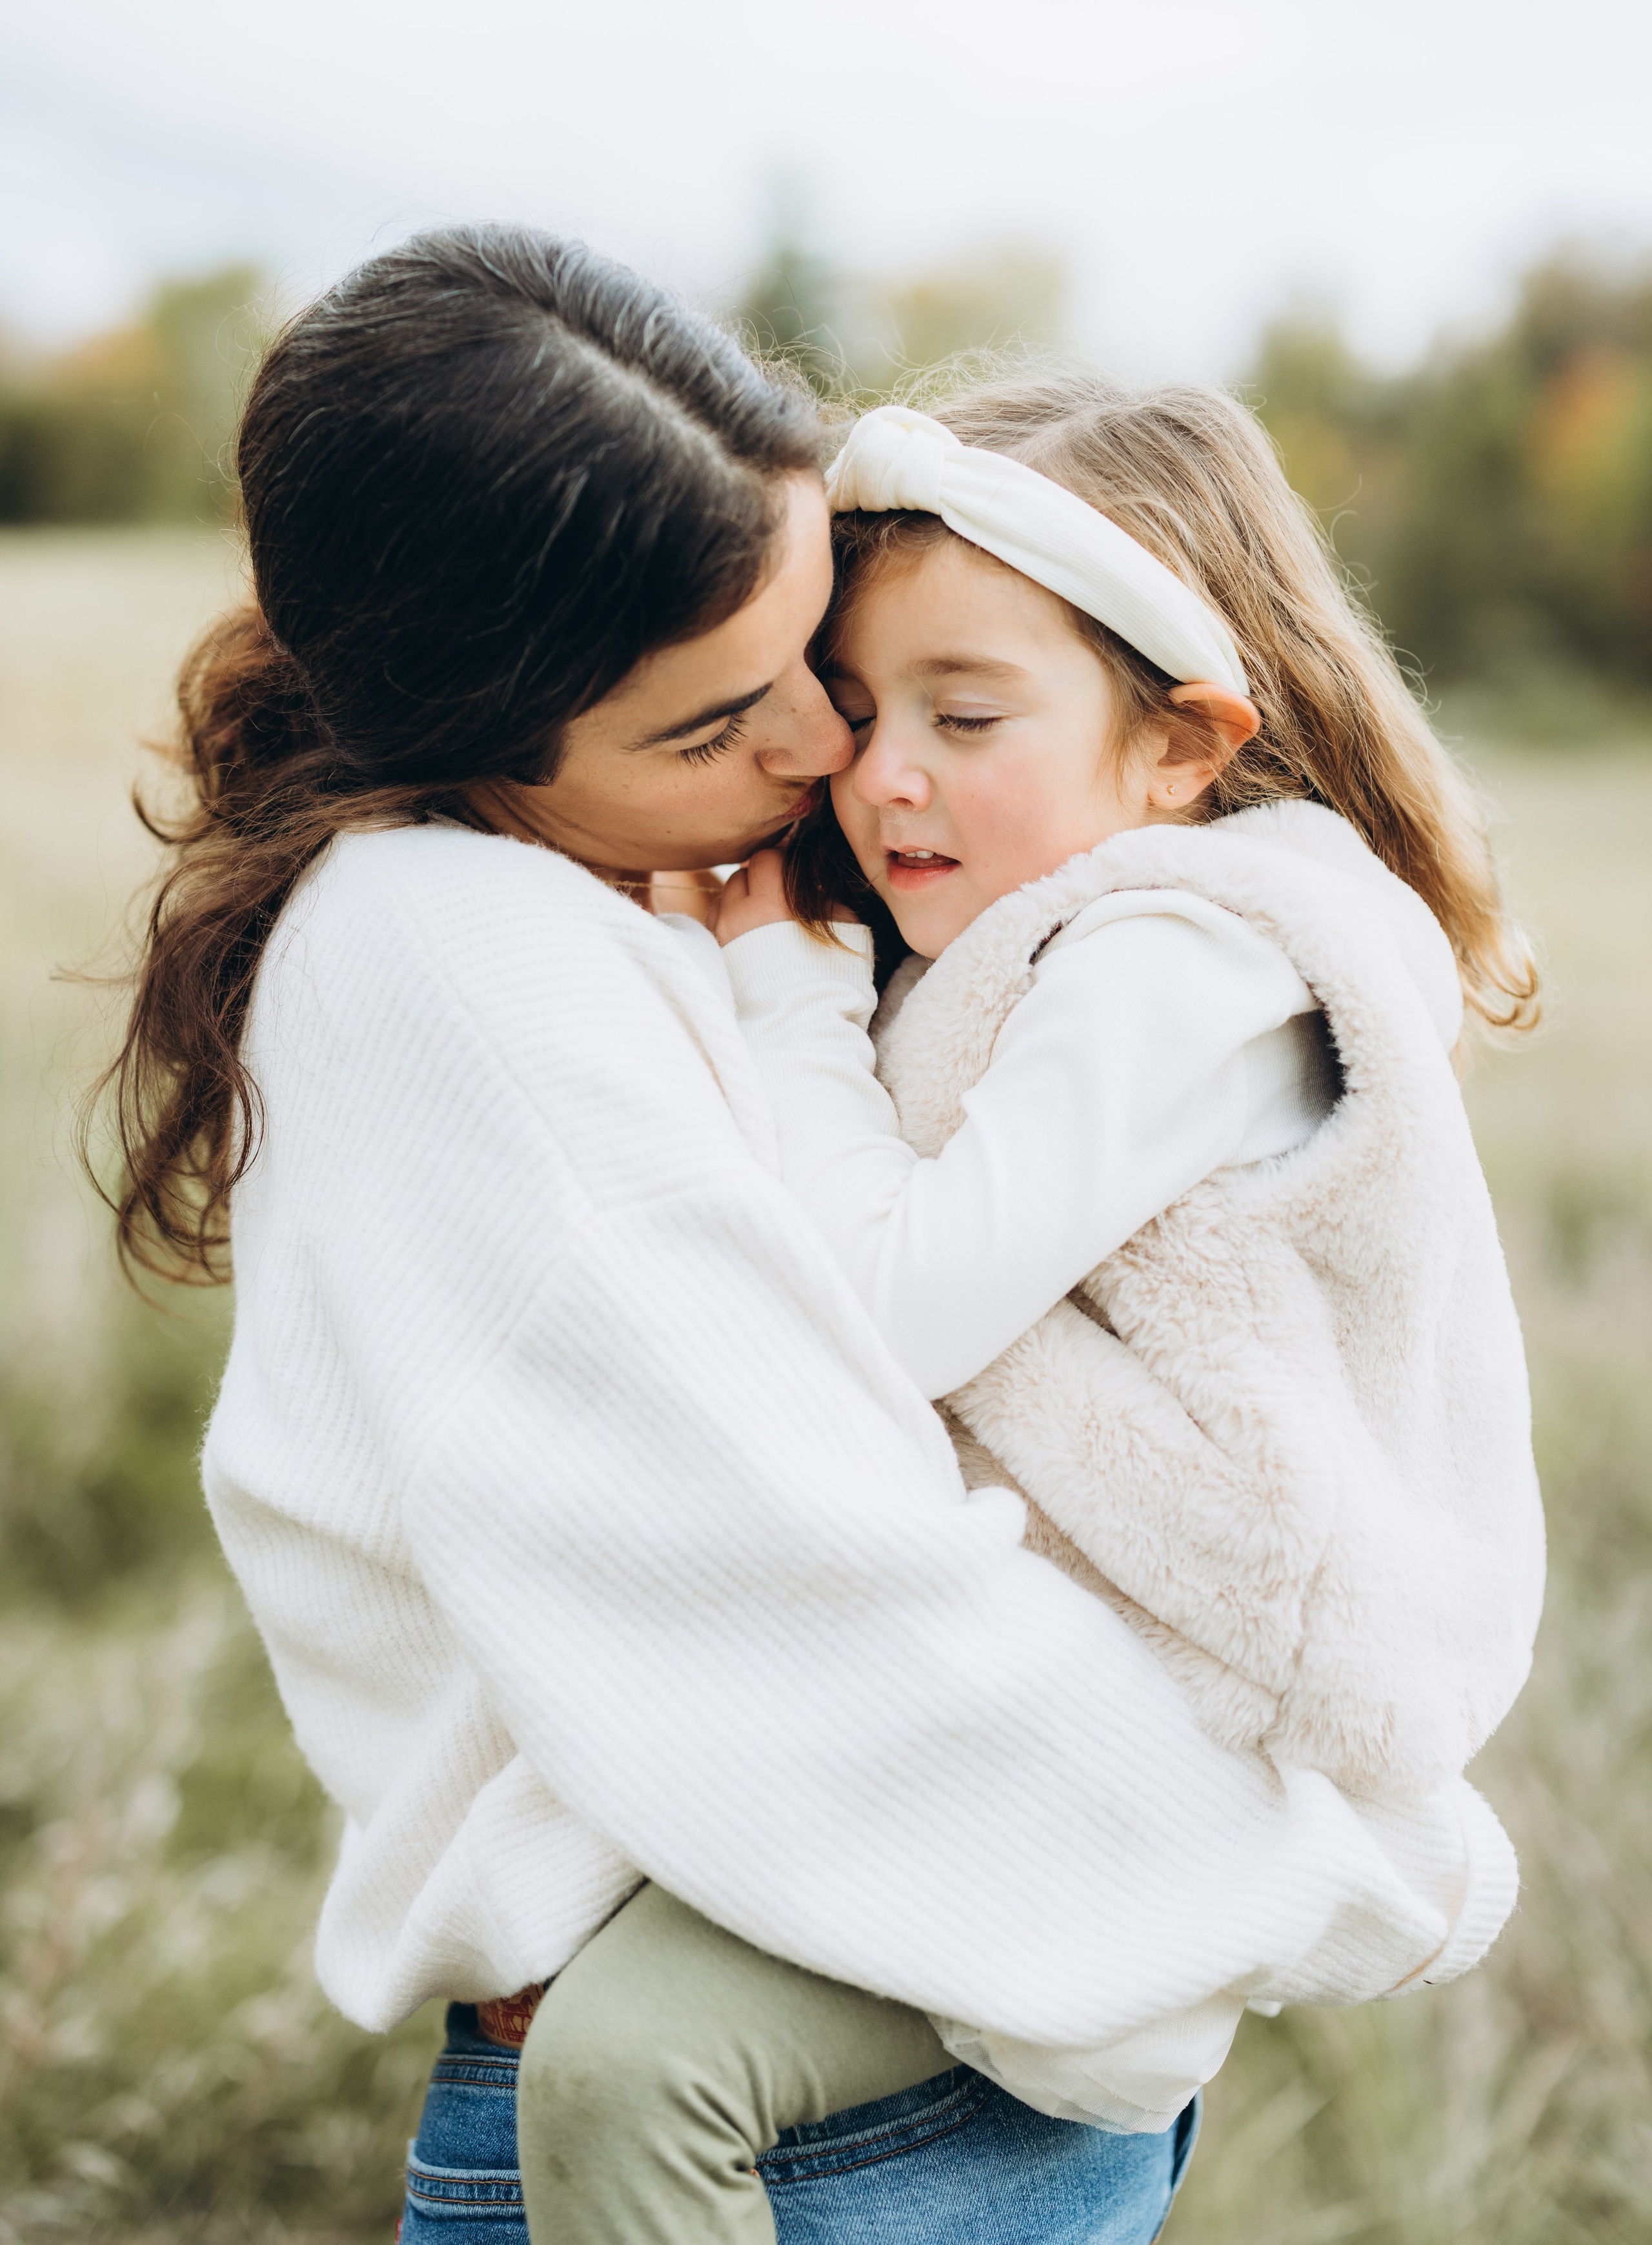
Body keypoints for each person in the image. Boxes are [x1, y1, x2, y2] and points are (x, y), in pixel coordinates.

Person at [96, 228, 1520, 2245]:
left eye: (801, 664)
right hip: (828, 2030)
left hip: (898, 2034)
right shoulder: (469, 961)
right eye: (723, 725)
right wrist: (1314, 1872)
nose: (828, 761)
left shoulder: (774, 907)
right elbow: (820, 1590)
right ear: (480, 737)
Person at [514, 385, 1544, 2238]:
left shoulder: (1176, 961)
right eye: (861, 707)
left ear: (1180, 745)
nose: (881, 772)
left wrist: (780, 989)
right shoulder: (1043, 935)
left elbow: (892, 1307)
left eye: (964, 715)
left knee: (621, 2072)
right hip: (1022, 1716)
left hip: (1124, 1764)